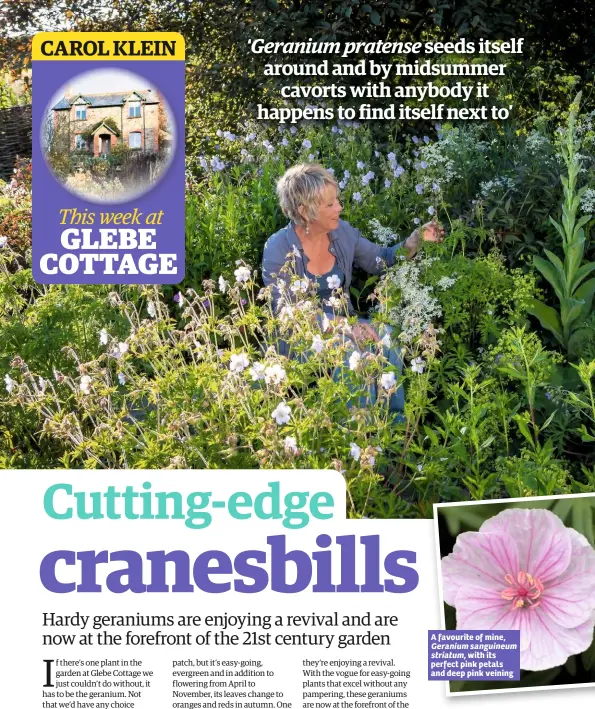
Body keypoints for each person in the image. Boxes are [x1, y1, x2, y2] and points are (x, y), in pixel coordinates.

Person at [261, 162, 443, 417]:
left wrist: (413, 241)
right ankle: (358, 435)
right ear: (305, 211)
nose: (339, 208)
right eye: (330, 204)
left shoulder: (342, 233)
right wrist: (342, 327)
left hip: (349, 327)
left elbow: (382, 260)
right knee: (350, 356)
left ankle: (394, 428)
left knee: (386, 338)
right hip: (300, 340)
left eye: (337, 200)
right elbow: (285, 313)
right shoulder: (277, 248)